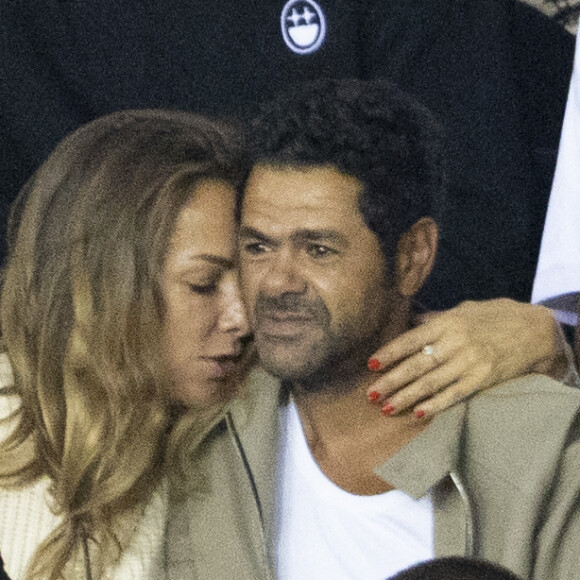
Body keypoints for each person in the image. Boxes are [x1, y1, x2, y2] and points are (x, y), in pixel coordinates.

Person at [164, 79, 580, 579]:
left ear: (412, 257)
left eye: (318, 249)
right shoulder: (195, 433)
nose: (276, 282)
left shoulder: (543, 449)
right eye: (257, 247)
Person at [0, 109, 251, 579]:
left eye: (249, 282)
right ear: (103, 286)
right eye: (203, 283)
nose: (242, 318)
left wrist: (434, 340)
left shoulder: (246, 422)